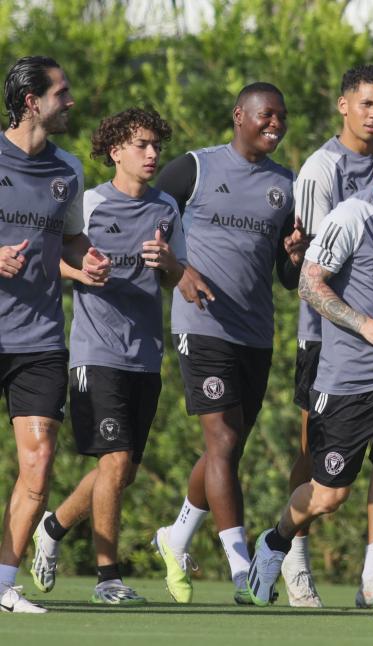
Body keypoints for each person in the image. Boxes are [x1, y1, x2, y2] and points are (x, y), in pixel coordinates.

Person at [246, 120, 373, 620]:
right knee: (328, 496)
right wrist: (367, 326)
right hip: (347, 385)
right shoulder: (352, 215)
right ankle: (274, 542)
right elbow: (310, 286)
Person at [150, 82, 307, 604]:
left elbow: (287, 276)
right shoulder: (194, 169)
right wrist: (177, 270)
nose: (275, 125)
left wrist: (294, 254)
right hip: (202, 325)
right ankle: (243, 567)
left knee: (228, 445)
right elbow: (141, 220)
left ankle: (177, 537)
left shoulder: (286, 185)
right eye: (266, 116)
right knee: (221, 442)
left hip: (255, 334)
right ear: (240, 115)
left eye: (282, 118)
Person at [30, 108, 186, 605]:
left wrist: (169, 265)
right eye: (141, 145)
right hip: (95, 354)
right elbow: (42, 257)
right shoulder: (90, 203)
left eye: (156, 146)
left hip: (145, 356)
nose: (152, 154)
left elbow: (177, 277)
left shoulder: (166, 209)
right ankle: (107, 579)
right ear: (116, 151)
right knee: (114, 463)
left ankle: (52, 528)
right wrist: (79, 275)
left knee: (121, 472)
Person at [287, 63, 373, 609]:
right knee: (318, 457)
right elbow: (314, 266)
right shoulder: (322, 168)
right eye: (366, 104)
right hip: (328, 337)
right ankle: (291, 552)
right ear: (343, 105)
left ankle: (372, 574)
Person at [0, 55, 111, 614]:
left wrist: (86, 259)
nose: (70, 101)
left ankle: (1, 583)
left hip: (40, 338)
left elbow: (69, 242)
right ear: (31, 102)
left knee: (39, 463)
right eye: (61, 93)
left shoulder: (68, 169)